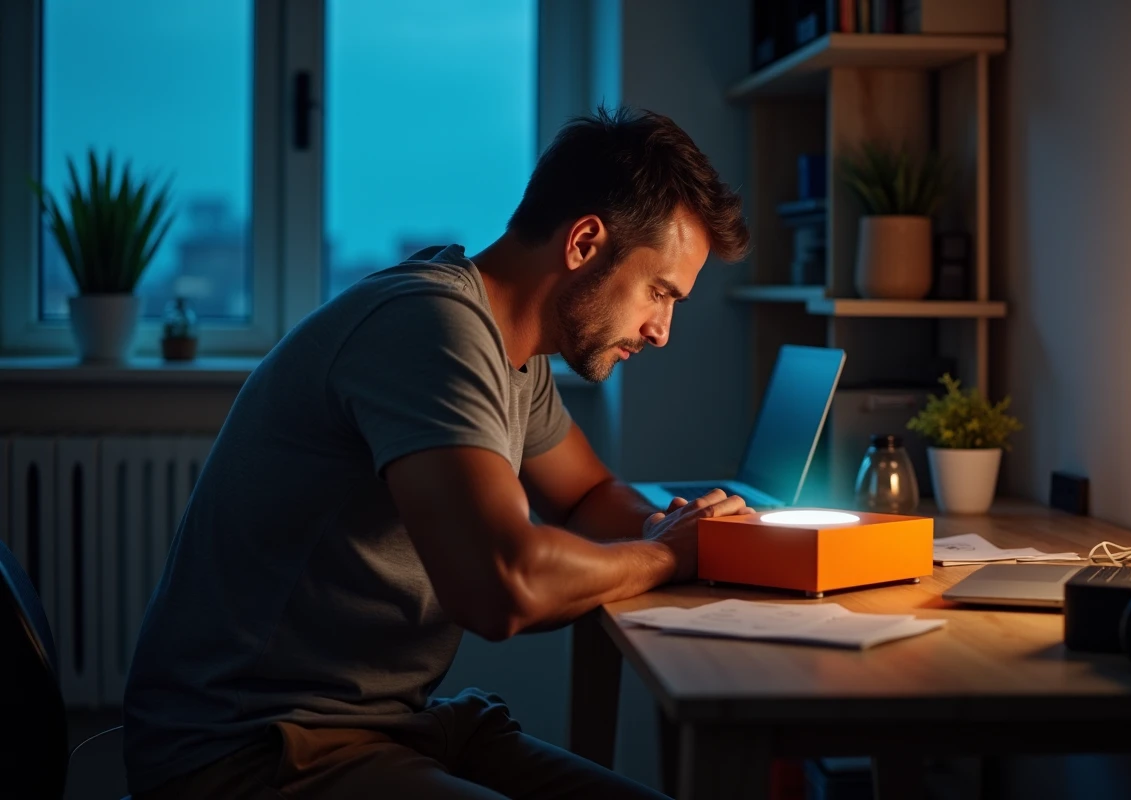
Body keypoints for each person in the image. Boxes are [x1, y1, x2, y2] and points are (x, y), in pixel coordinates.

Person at [123, 106, 752, 799]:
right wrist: (667, 555)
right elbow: (500, 585)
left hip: (384, 726)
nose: (662, 330)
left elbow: (586, 497)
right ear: (584, 244)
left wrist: (674, 529)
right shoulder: (431, 328)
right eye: (660, 292)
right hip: (252, 749)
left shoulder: (512, 350)